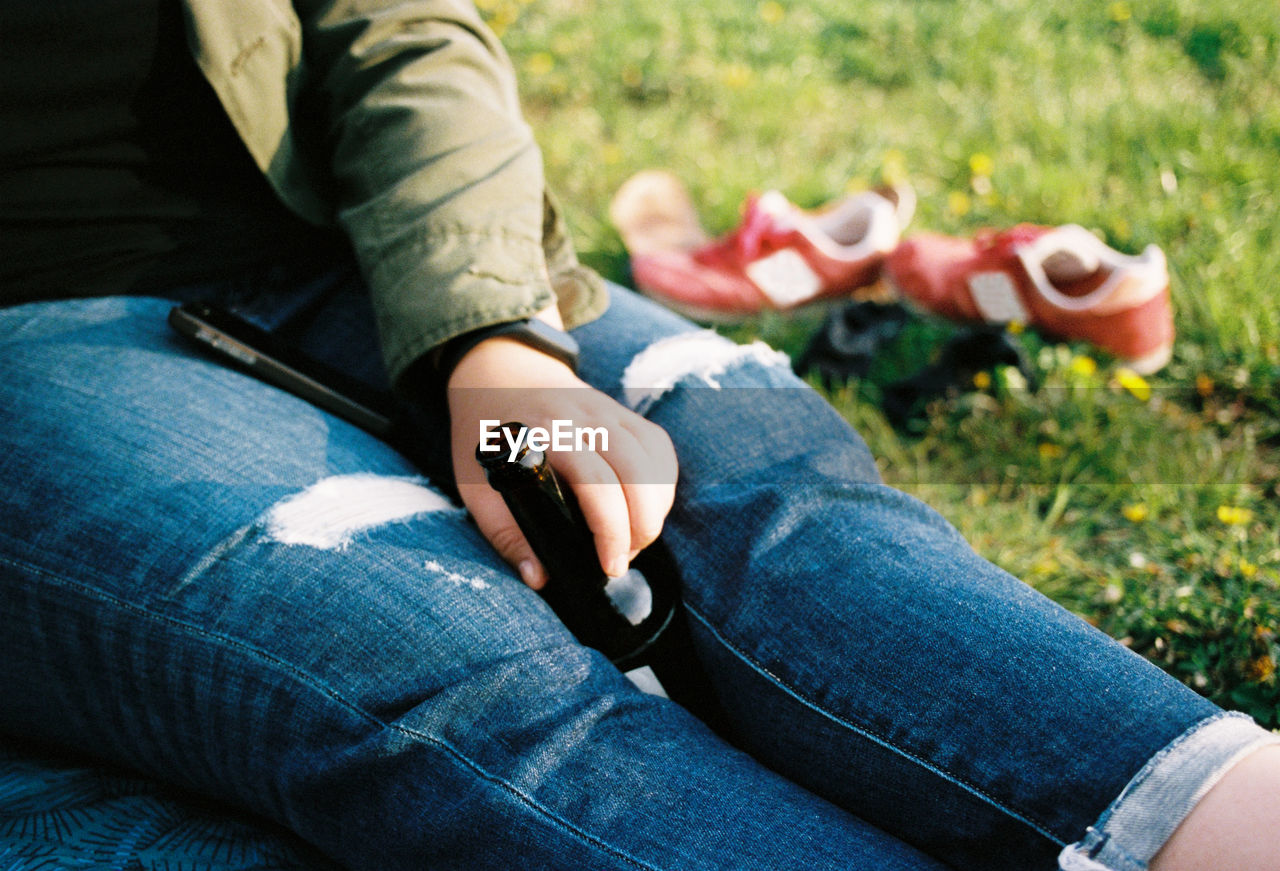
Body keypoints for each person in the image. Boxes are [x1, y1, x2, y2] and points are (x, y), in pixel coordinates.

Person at [0, 2, 1276, 869]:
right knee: (436, 665)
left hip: (355, 244)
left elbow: (396, 25)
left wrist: (493, 339)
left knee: (777, 505)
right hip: (33, 333)